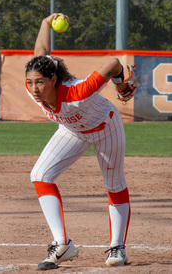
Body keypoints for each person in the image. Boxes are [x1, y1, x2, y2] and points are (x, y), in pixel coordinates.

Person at [25, 13, 138, 270]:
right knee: (40, 174)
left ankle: (117, 247)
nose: (33, 88)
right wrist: (44, 23)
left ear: (54, 80)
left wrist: (121, 86)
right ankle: (62, 244)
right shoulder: (35, 89)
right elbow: (40, 53)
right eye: (30, 82)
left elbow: (112, 63)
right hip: (72, 130)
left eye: (39, 82)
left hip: (105, 126)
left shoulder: (77, 93)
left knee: (114, 183)